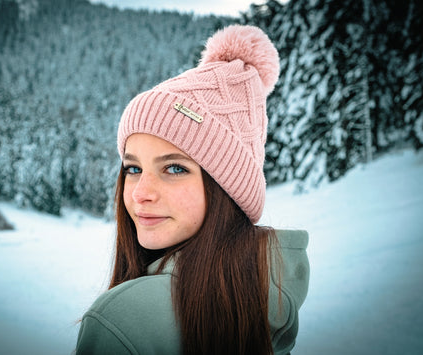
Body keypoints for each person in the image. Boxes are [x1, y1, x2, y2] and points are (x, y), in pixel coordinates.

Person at [76, 25, 309, 355]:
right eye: (133, 168)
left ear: (226, 189)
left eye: (174, 168)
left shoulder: (124, 322)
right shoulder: (269, 292)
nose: (141, 192)